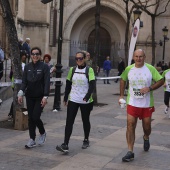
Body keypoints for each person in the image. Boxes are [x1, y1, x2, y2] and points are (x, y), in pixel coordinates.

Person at [119, 49, 164, 162]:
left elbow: (161, 80)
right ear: (133, 57)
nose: (138, 59)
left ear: (144, 57)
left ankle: (146, 137)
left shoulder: (150, 68)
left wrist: (149, 88)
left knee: (147, 127)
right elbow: (122, 79)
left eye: (141, 56)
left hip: (146, 104)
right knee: (130, 124)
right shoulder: (129, 69)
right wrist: (121, 96)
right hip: (133, 103)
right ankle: (130, 151)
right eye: (136, 56)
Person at [56, 51, 95, 153]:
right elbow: (68, 83)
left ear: (84, 59)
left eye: (80, 58)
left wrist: (87, 96)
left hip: (85, 101)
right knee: (69, 121)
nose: (78, 60)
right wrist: (65, 97)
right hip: (73, 99)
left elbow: (92, 84)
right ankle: (65, 144)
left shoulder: (89, 70)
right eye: (76, 59)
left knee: (85, 120)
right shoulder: (72, 70)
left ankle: (86, 139)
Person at [18, 47, 50, 148]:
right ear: (30, 55)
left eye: (37, 54)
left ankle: (42, 132)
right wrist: (21, 92)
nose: (35, 56)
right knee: (30, 118)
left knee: (36, 117)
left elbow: (47, 82)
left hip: (40, 96)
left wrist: (45, 96)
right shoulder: (27, 67)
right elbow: (24, 82)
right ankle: (32, 139)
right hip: (29, 96)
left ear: (40, 55)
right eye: (33, 54)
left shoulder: (44, 67)